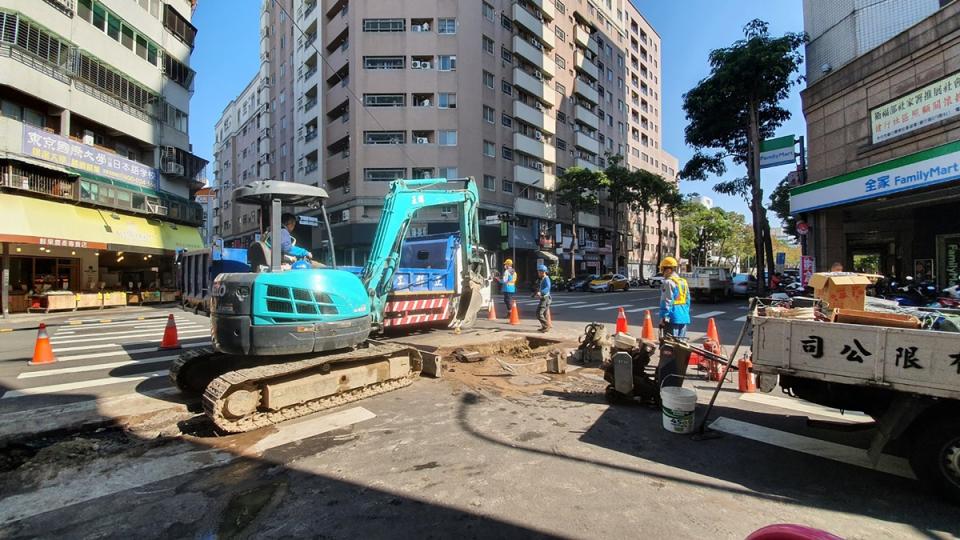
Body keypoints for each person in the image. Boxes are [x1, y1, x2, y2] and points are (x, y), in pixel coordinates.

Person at [658, 257, 690, 339]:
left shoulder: (668, 282)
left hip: (672, 317)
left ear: (668, 270)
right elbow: (688, 301)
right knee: (681, 346)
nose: (662, 273)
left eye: (663, 270)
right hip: (684, 317)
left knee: (670, 346)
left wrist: (663, 317)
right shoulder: (683, 281)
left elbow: (666, 301)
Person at [533, 264, 552, 332]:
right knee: (543, 313)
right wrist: (535, 293)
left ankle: (546, 326)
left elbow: (547, 288)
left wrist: (541, 293)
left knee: (539, 313)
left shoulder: (546, 279)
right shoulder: (543, 279)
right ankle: (544, 327)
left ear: (542, 272)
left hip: (545, 299)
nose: (538, 273)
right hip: (544, 298)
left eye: (539, 272)